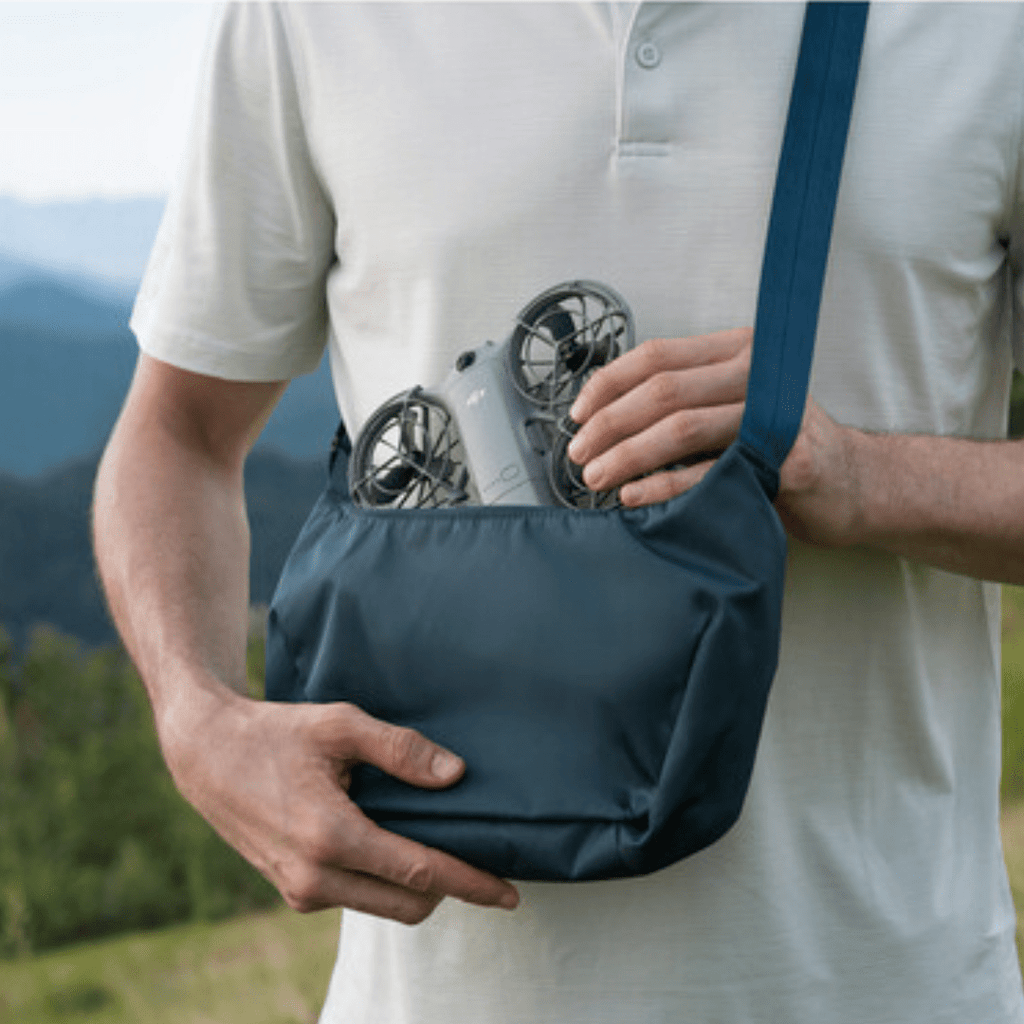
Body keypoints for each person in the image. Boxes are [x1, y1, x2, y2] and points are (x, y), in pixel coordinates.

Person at [92, 4, 1024, 1022]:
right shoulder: (302, 18)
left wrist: (862, 476)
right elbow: (179, 433)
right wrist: (197, 721)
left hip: (889, 987)